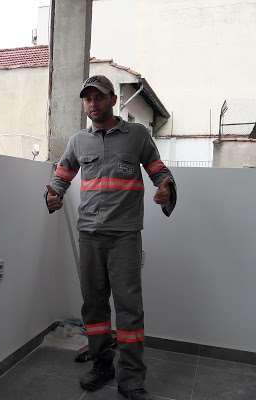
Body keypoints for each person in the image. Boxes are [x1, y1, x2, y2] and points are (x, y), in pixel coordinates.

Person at [45, 75, 176, 400]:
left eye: (99, 97)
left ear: (113, 100)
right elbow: (61, 175)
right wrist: (52, 194)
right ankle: (102, 364)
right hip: (89, 234)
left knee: (129, 308)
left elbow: (159, 171)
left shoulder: (137, 135)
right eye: (87, 98)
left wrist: (166, 188)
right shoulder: (78, 141)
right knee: (94, 306)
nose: (93, 103)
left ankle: (131, 378)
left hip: (124, 236)